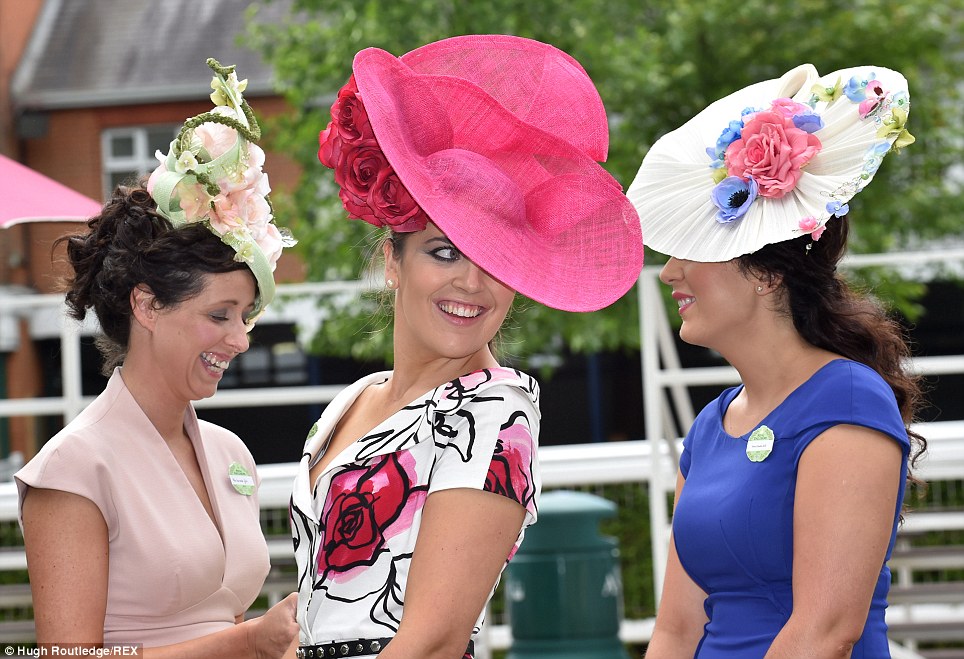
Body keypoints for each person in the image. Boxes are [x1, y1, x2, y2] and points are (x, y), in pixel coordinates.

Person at [289, 35, 644, 659]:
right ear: (391, 260)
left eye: (494, 259)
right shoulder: (351, 402)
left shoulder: (491, 412)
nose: (471, 284)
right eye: (444, 251)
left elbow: (431, 641)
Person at [627, 64, 924, 658]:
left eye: (692, 252)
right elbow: (676, 630)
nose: (669, 273)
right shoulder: (711, 428)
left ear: (764, 272)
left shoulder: (847, 401)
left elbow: (825, 634)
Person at [16, 59, 298, 654]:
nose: (240, 339)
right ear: (147, 304)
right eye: (219, 315)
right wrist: (248, 643)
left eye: (245, 317)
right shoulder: (74, 467)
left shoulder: (229, 451)